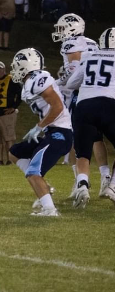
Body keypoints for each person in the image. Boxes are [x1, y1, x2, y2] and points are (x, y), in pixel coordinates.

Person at [8, 48, 73, 216]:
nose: (14, 69)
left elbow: (57, 107)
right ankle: (44, 187)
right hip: (52, 131)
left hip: (61, 132)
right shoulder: (29, 83)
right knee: (14, 153)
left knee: (33, 171)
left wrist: (39, 126)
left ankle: (50, 210)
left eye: (17, 65)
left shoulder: (39, 78)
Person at [52, 14, 110, 197]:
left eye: (62, 28)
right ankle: (106, 176)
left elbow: (74, 72)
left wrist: (56, 82)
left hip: (79, 94)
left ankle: (80, 182)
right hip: (99, 90)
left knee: (75, 139)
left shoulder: (70, 44)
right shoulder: (92, 42)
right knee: (97, 138)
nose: (60, 32)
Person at [66, 28, 115, 207]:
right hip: (110, 105)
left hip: (84, 106)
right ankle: (112, 187)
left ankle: (83, 186)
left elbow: (72, 83)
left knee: (83, 152)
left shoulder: (89, 57)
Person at [0, 61, 21, 165]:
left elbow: (20, 93)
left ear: (4, 69)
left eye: (0, 68)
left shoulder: (11, 79)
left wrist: (14, 107)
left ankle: (10, 160)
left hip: (7, 114)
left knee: (9, 138)